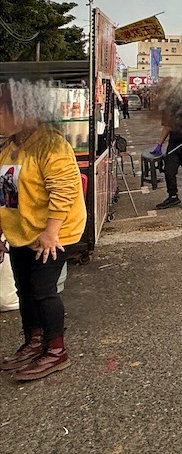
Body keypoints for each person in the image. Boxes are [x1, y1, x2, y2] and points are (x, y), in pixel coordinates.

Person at [0, 81, 86, 381]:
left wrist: (51, 232)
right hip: (22, 231)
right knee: (24, 290)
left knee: (43, 290)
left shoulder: (51, 144)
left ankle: (55, 349)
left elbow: (64, 190)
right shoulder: (11, 146)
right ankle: (33, 341)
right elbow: (5, 194)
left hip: (54, 232)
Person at [155, 103, 182, 209]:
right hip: (174, 144)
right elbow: (167, 127)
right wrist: (159, 144)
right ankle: (173, 196)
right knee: (168, 171)